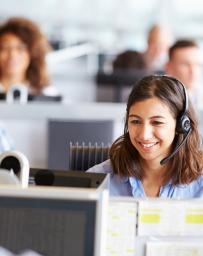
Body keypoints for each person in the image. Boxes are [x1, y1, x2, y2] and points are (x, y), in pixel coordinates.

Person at [87, 75, 203, 198]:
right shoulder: (99, 180)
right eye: (136, 121)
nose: (144, 135)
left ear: (181, 126)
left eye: (157, 122)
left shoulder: (199, 183)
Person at [0, 16, 57, 96]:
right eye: (4, 48)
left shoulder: (46, 93)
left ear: (33, 53)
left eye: (20, 48)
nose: (12, 55)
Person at [165, 39, 202, 108]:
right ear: (169, 67)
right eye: (185, 64)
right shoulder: (161, 100)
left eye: (197, 64)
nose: (193, 71)